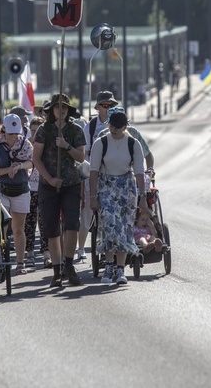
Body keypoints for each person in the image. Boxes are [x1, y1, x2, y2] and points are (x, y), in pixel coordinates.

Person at [32, 94, 86, 287]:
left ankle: (69, 265)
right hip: (48, 186)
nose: (61, 110)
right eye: (57, 107)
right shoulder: (44, 131)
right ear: (51, 110)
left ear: (68, 110)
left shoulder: (75, 130)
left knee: (72, 224)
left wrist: (66, 145)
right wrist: (50, 179)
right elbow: (36, 159)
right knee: (51, 228)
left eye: (64, 107)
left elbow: (81, 157)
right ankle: (57, 270)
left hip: (71, 184)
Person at [89, 111, 148, 285]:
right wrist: (92, 196)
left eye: (117, 126)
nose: (112, 128)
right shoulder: (101, 143)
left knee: (123, 227)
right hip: (106, 185)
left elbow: (139, 172)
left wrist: (143, 197)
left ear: (124, 127)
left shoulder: (133, 144)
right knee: (108, 223)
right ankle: (109, 265)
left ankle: (120, 269)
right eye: (111, 125)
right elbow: (93, 171)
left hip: (126, 187)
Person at [78, 91, 119, 260]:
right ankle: (81, 248)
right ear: (98, 107)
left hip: (113, 175)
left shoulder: (119, 123)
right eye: (104, 105)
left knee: (111, 214)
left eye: (111, 105)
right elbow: (84, 153)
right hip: (93, 174)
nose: (107, 108)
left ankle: (111, 247)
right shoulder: (91, 126)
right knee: (87, 214)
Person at [0, 113, 33, 275]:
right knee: (2, 227)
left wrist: (19, 167)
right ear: (4, 130)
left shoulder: (26, 144)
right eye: (10, 133)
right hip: (2, 189)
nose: (14, 136)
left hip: (21, 189)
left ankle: (20, 262)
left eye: (16, 133)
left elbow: (31, 162)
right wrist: (9, 169)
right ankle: (0, 259)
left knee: (18, 228)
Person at [24, 116, 45, 268]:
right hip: (28, 188)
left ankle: (46, 254)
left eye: (37, 131)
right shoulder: (25, 145)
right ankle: (29, 253)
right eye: (32, 131)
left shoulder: (46, 144)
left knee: (45, 222)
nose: (34, 134)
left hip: (44, 187)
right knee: (29, 223)